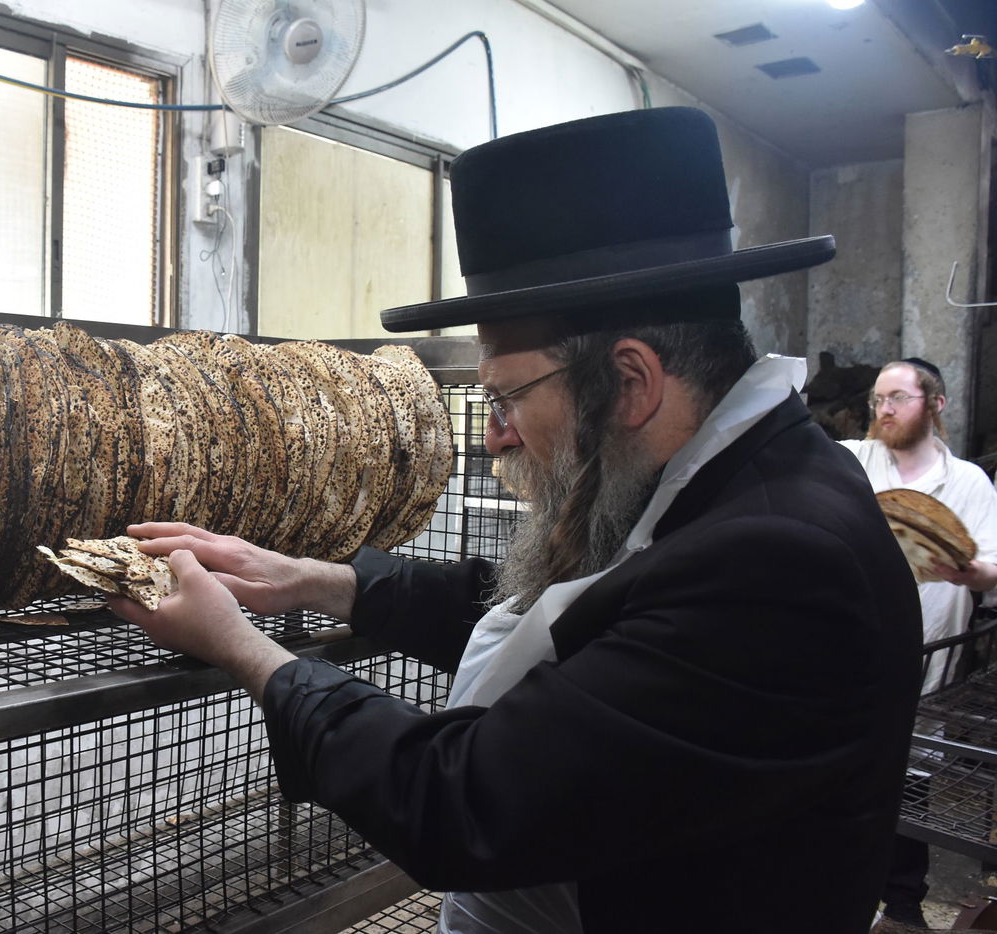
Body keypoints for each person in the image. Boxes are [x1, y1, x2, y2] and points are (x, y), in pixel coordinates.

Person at [108, 107, 923, 934]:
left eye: (506, 396)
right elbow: (582, 629)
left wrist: (245, 649)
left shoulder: (777, 562)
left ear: (631, 381)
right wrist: (319, 582)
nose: (496, 433)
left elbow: (462, 804)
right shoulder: (734, 484)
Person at [838, 358, 997, 930]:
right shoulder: (852, 461)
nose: (884, 409)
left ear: (935, 403)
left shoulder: (968, 482)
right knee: (845, 768)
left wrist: (968, 569)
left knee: (910, 777)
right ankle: (843, 894)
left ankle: (902, 904)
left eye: (899, 397)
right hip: (851, 646)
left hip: (930, 653)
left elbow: (992, 568)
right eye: (878, 398)